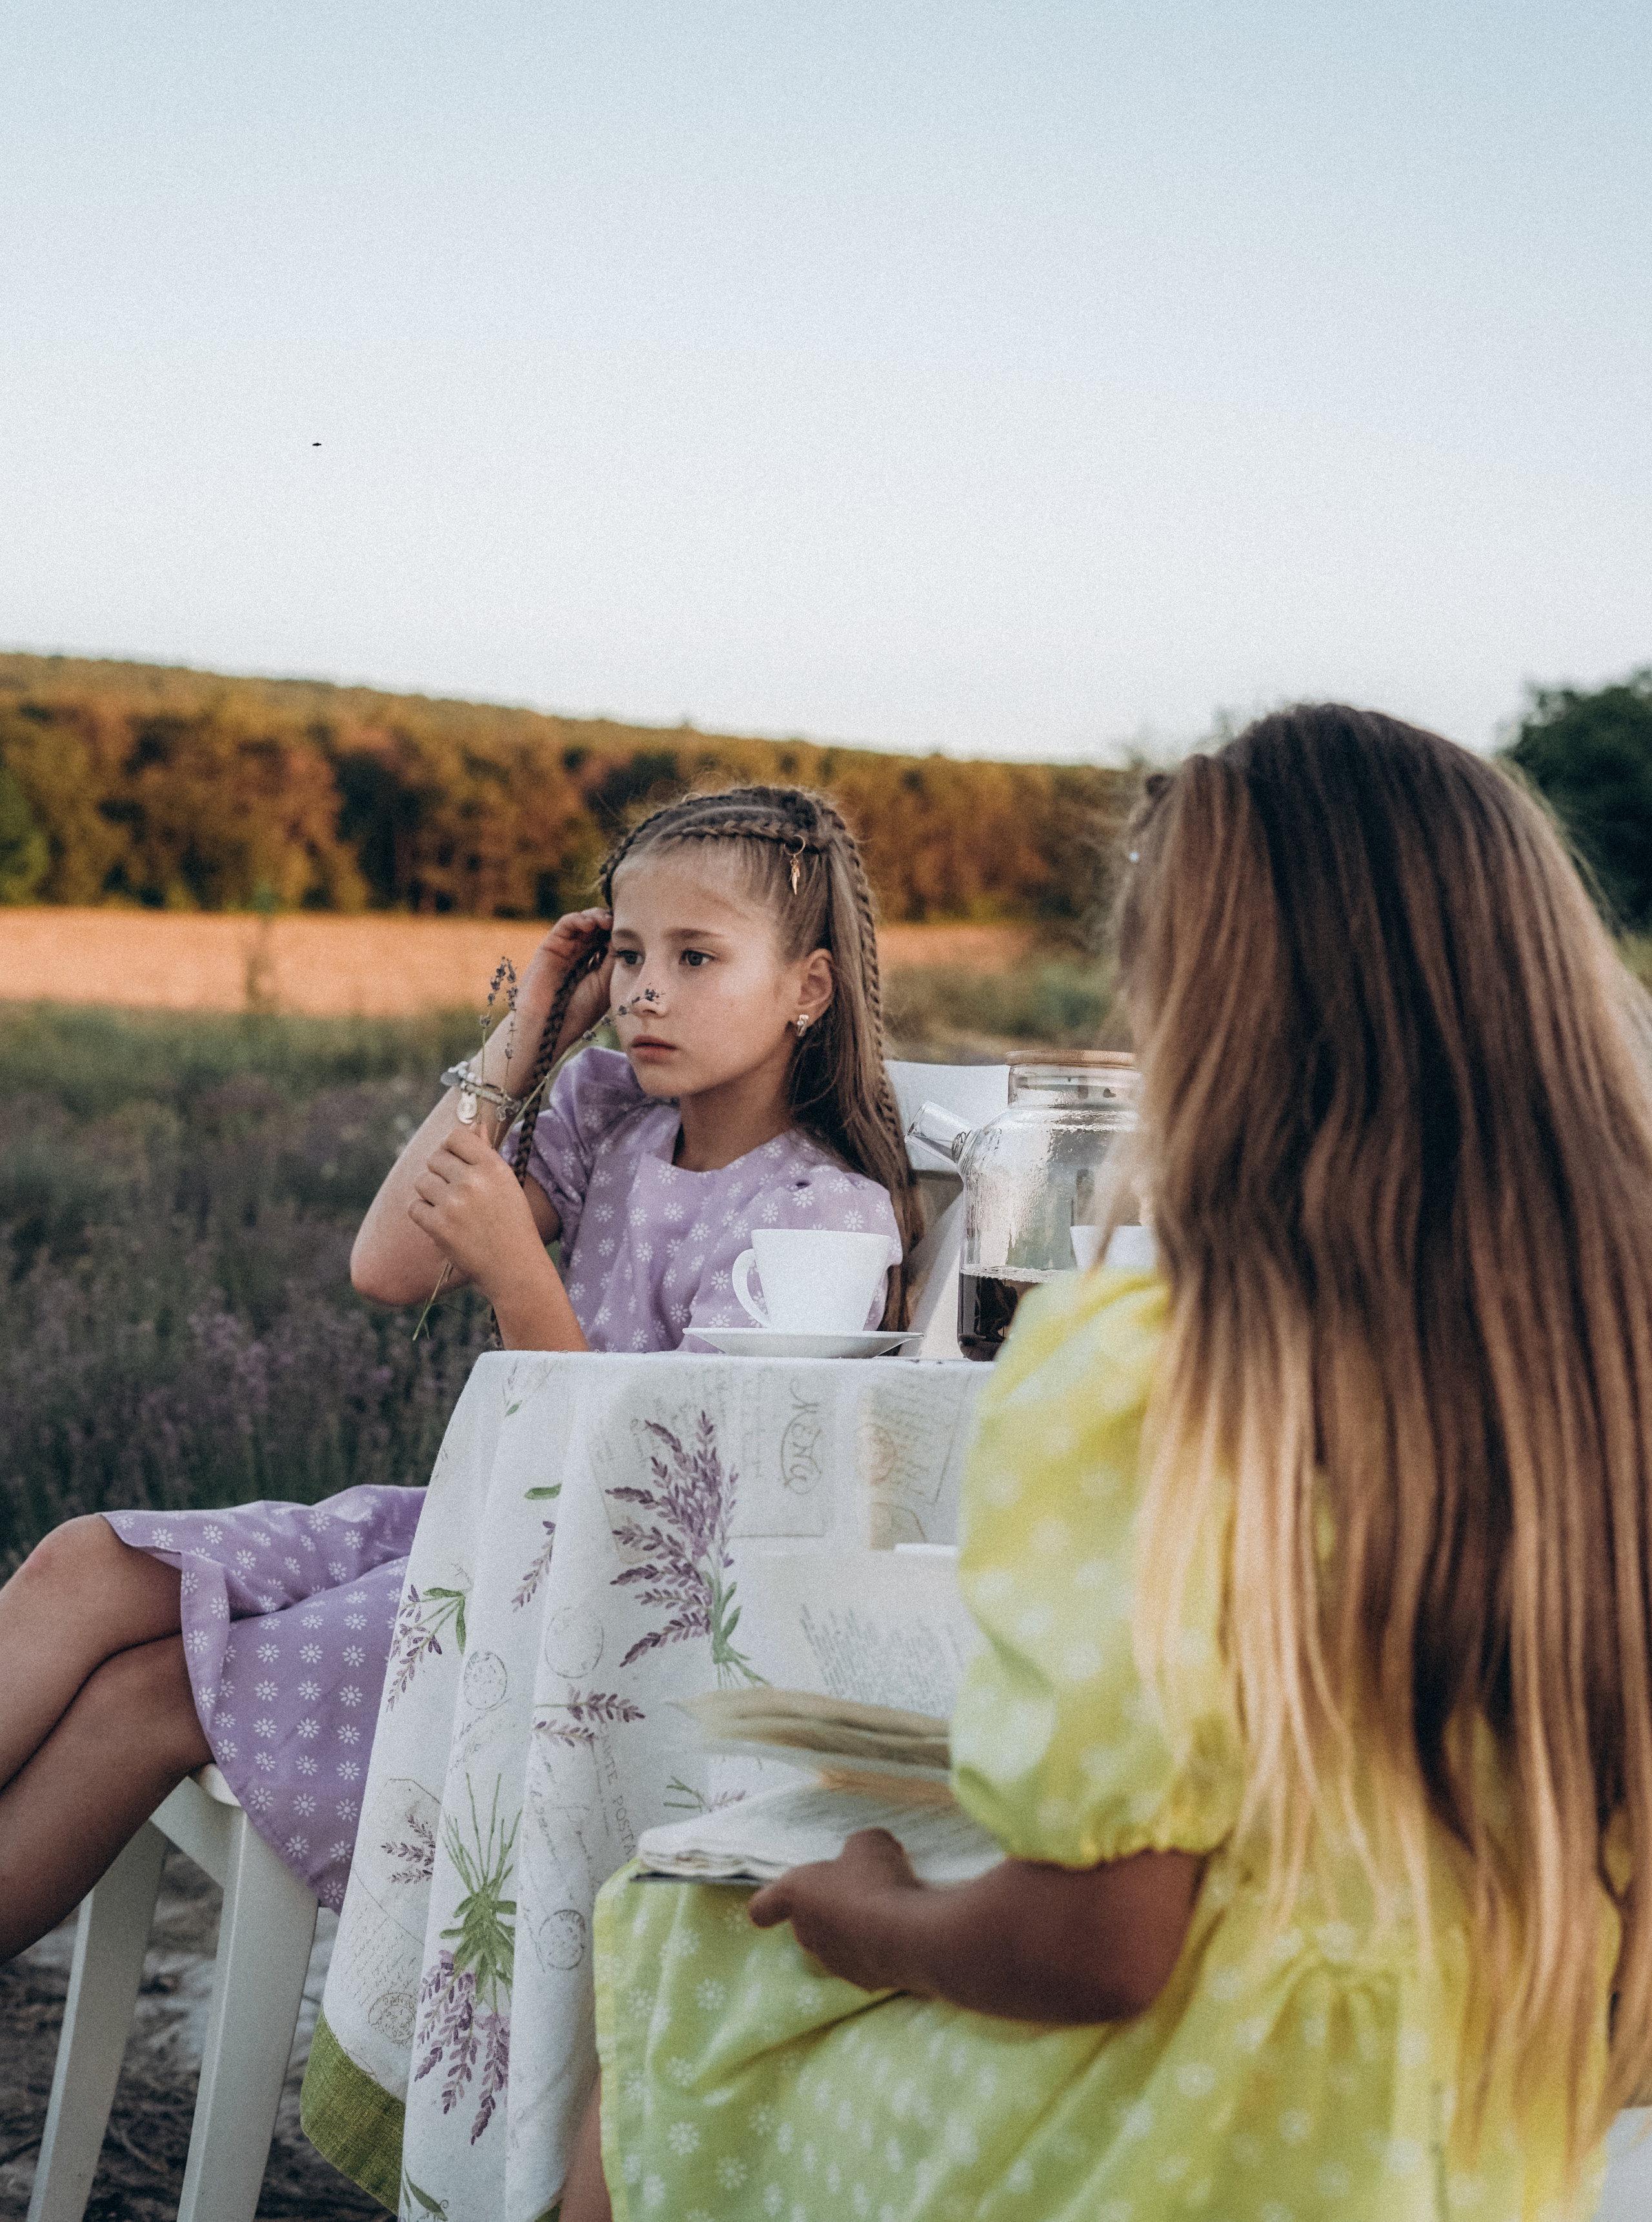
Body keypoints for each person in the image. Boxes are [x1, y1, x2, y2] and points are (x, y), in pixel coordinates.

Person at [563, 707, 1652, 2222]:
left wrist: (873, 1920)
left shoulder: (1165, 1365)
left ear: (1200, 1013)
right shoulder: (1602, 1348)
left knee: (675, 1960)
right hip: (1487, 2113)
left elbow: (1092, 1949)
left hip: (1196, 2139)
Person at [0, 785, 918, 1959]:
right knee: (89, 1562)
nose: (645, 990)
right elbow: (386, 1263)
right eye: (629, 953)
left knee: (145, 1698)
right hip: (474, 1524)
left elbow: (656, 1515)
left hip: (578, 1608)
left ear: (809, 987)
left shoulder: (817, 1221)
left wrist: (514, 1272)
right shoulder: (615, 1117)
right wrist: (529, 1026)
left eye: (697, 957)